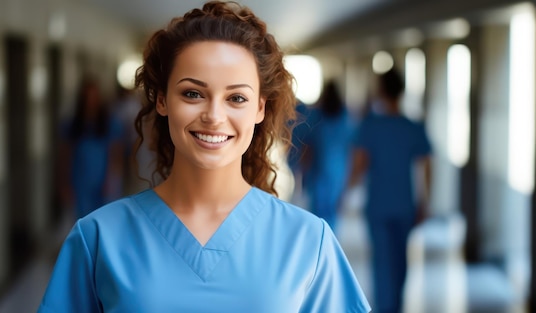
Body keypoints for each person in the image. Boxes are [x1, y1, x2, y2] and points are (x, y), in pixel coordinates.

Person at [39, 2, 370, 312]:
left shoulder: (308, 241)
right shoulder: (99, 238)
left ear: (259, 108)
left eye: (236, 98)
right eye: (193, 93)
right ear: (162, 100)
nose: (213, 115)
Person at [348, 68, 432, 313]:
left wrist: (346, 192)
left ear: (380, 91)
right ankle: (395, 305)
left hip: (379, 206)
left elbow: (359, 164)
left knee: (383, 263)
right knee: (400, 261)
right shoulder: (412, 126)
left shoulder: (370, 127)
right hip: (405, 204)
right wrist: (425, 201)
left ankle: (387, 307)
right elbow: (426, 166)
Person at [58, 75, 124, 219]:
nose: (91, 101)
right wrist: (64, 182)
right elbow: (65, 154)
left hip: (103, 178)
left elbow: (116, 152)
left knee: (104, 218)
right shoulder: (73, 124)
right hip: (80, 179)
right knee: (83, 218)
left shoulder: (109, 123)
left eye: (94, 97)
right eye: (87, 97)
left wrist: (113, 179)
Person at [304, 80, 355, 229]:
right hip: (339, 172)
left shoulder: (316, 116)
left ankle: (319, 244)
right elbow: (352, 148)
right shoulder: (345, 117)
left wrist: (303, 171)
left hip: (319, 172)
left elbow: (308, 148)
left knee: (317, 214)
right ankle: (330, 243)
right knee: (333, 213)